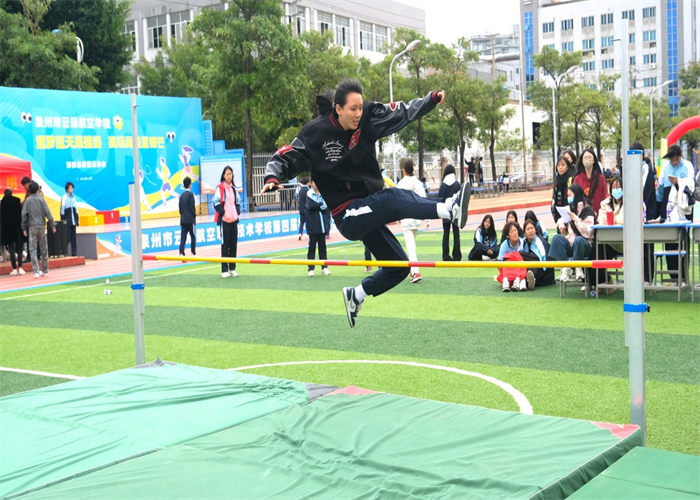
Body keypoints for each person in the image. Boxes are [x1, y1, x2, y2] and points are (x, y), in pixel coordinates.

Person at [261, 79, 470, 327]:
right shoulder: (314, 133)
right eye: (353, 109)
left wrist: (430, 101)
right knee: (393, 198)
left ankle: (356, 295)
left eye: (360, 107)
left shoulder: (368, 117)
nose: (358, 114)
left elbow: (401, 112)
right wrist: (272, 177)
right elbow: (285, 156)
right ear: (338, 109)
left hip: (368, 205)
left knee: (398, 266)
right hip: (348, 214)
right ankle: (449, 209)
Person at [656, 144, 695, 283]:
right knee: (669, 239)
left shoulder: (688, 165)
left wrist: (679, 182)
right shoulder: (665, 167)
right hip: (669, 205)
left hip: (684, 205)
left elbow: (691, 185)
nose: (674, 162)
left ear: (680, 156)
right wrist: (659, 206)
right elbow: (661, 188)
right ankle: (673, 275)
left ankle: (684, 274)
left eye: (676, 159)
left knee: (684, 239)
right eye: (672, 160)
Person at [548, 183, 595, 282]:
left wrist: (576, 219)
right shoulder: (570, 209)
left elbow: (588, 232)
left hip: (584, 246)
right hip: (570, 244)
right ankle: (565, 266)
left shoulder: (588, 210)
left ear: (576, 194)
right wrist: (561, 224)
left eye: (570, 195)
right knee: (556, 238)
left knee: (578, 240)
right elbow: (561, 219)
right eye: (567, 196)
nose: (568, 198)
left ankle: (578, 267)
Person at [396, 158, 426, 283]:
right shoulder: (418, 183)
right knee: (412, 246)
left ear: (404, 170)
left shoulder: (401, 184)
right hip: (416, 218)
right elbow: (424, 200)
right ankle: (414, 271)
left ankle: (415, 272)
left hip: (407, 219)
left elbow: (397, 201)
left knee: (411, 247)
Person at [21, 181, 55, 278]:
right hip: (41, 226)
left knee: (32, 250)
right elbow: (48, 212)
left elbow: (24, 215)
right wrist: (52, 225)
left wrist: (24, 228)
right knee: (44, 249)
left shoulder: (28, 200)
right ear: (37, 189)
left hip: (32, 227)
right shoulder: (41, 199)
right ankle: (45, 270)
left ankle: (36, 271)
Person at [213, 166, 241, 278]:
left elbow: (238, 201)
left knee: (233, 245)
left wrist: (237, 211)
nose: (229, 176)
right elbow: (215, 202)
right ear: (224, 176)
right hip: (224, 221)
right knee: (225, 245)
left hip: (234, 221)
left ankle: (232, 268)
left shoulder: (233, 189)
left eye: (231, 174)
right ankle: (224, 270)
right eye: (227, 174)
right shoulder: (220, 188)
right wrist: (223, 212)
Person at [305, 180, 331, 277]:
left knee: (322, 248)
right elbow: (310, 206)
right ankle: (310, 269)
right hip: (312, 226)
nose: (316, 184)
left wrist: (319, 206)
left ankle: (324, 267)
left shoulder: (322, 194)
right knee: (311, 248)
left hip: (322, 226)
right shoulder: (309, 194)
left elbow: (326, 207)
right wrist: (320, 205)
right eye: (315, 182)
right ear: (312, 183)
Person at [573, 147, 608, 216]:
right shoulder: (577, 178)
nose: (587, 159)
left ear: (594, 160)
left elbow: (604, 196)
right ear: (582, 161)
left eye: (590, 157)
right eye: (585, 157)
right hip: (583, 216)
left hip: (599, 215)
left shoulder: (601, 178)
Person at [520, 218, 554, 289]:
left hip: (545, 272)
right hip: (534, 267)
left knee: (523, 254)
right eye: (528, 229)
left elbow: (543, 261)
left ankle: (529, 279)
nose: (530, 231)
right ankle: (526, 280)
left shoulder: (541, 242)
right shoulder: (524, 242)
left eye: (532, 228)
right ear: (524, 233)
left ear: (535, 230)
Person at [438, 164, 462, 262]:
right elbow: (460, 199)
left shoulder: (442, 185)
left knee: (446, 234)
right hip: (455, 213)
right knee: (456, 234)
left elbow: (440, 200)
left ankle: (445, 255)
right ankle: (457, 255)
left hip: (445, 212)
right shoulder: (457, 184)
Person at [1, 188, 24, 275]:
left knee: (11, 249)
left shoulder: (2, 203)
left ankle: (14, 268)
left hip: (8, 229)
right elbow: (21, 215)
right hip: (17, 228)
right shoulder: (17, 201)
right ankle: (20, 267)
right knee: (19, 248)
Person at [497, 221, 525, 292]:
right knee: (509, 256)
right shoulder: (504, 245)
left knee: (519, 255)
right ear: (507, 236)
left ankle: (519, 280)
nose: (515, 233)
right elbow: (499, 264)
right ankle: (507, 281)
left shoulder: (523, 242)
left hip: (520, 268)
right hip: (508, 268)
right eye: (512, 232)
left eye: (515, 230)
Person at [551, 155, 575, 222]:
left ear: (567, 167)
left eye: (563, 165)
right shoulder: (557, 179)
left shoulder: (570, 179)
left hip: (568, 210)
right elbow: (554, 195)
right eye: (558, 165)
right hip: (558, 210)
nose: (560, 167)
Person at [178, 176, 196, 257]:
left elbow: (180, 209)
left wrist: (183, 215)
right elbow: (192, 207)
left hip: (183, 220)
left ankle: (181, 253)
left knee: (183, 238)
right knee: (193, 237)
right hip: (190, 220)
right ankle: (193, 253)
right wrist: (194, 215)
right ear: (190, 185)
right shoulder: (191, 194)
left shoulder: (181, 196)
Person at [60, 182, 79, 257]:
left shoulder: (74, 197)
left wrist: (77, 220)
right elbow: (62, 209)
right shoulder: (64, 197)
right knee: (67, 237)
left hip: (73, 221)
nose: (72, 189)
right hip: (67, 220)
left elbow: (76, 209)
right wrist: (63, 220)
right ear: (67, 189)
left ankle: (74, 253)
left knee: (73, 238)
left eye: (72, 188)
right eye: (70, 188)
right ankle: (64, 252)